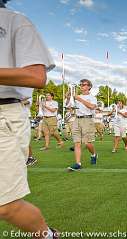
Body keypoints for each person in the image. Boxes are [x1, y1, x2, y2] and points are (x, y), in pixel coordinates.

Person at [0, 0, 60, 237]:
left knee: (6, 205)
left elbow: (36, 76)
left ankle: (48, 235)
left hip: (5, 112)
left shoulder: (15, 21)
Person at [66, 79, 98, 171]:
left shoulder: (92, 97)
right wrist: (69, 98)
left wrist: (80, 99)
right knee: (77, 142)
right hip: (77, 119)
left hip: (87, 120)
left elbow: (92, 107)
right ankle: (78, 163)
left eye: (84, 84)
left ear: (89, 87)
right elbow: (69, 106)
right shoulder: (76, 96)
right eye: (81, 84)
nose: (81, 86)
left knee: (87, 143)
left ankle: (94, 154)